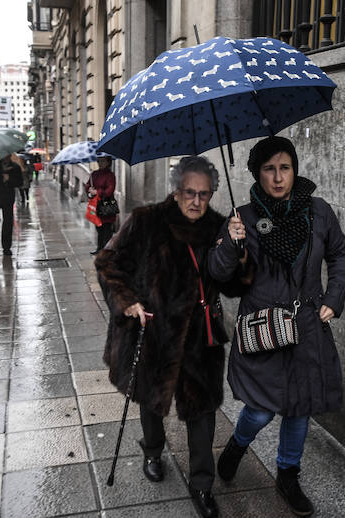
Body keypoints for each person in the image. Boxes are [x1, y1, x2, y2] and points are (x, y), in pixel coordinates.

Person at [95, 156, 247, 518]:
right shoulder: (146, 221)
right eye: (189, 193)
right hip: (155, 330)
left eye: (205, 194)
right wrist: (127, 302)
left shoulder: (219, 227)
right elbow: (107, 261)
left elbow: (233, 285)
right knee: (151, 399)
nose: (197, 201)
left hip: (200, 335)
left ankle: (202, 484)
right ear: (176, 190)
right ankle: (151, 449)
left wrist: (238, 250)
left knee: (203, 411)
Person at [209, 136, 345, 517]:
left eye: (284, 168)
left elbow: (340, 254)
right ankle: (239, 443)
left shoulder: (318, 212)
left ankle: (288, 474)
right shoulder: (244, 217)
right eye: (269, 169)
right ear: (257, 173)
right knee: (260, 409)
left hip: (306, 325)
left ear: (295, 170)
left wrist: (332, 301)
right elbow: (220, 274)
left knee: (299, 408)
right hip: (263, 326)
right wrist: (230, 243)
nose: (277, 177)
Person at [86, 156, 116, 254]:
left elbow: (110, 190)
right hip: (96, 205)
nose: (100, 163)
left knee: (107, 229)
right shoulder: (94, 174)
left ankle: (107, 250)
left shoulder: (110, 175)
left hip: (106, 206)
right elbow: (87, 185)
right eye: (99, 161)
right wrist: (89, 189)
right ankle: (99, 248)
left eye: (103, 161)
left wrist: (98, 192)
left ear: (108, 162)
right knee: (98, 227)